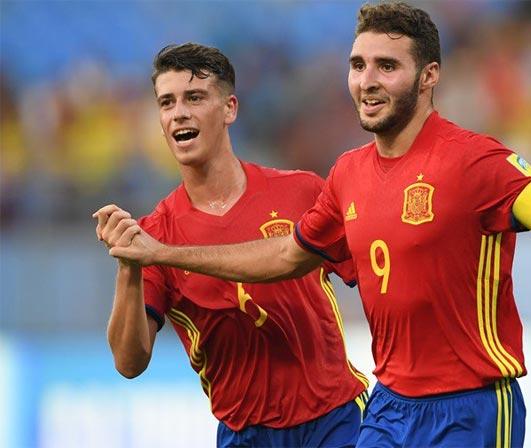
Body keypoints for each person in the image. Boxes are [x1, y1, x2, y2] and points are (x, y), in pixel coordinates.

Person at [103, 3, 531, 447]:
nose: (367, 81)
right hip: (387, 408)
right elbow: (287, 256)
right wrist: (160, 254)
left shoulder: (477, 162)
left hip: (469, 406)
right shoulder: (347, 174)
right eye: (358, 65)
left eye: (387, 66)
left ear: (429, 76)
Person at [93, 43, 369, 448]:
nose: (179, 113)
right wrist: (128, 266)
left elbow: (372, 272)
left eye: (195, 97)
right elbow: (128, 361)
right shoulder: (155, 233)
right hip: (246, 435)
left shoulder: (302, 191)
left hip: (337, 422)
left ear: (229, 109)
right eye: (166, 103)